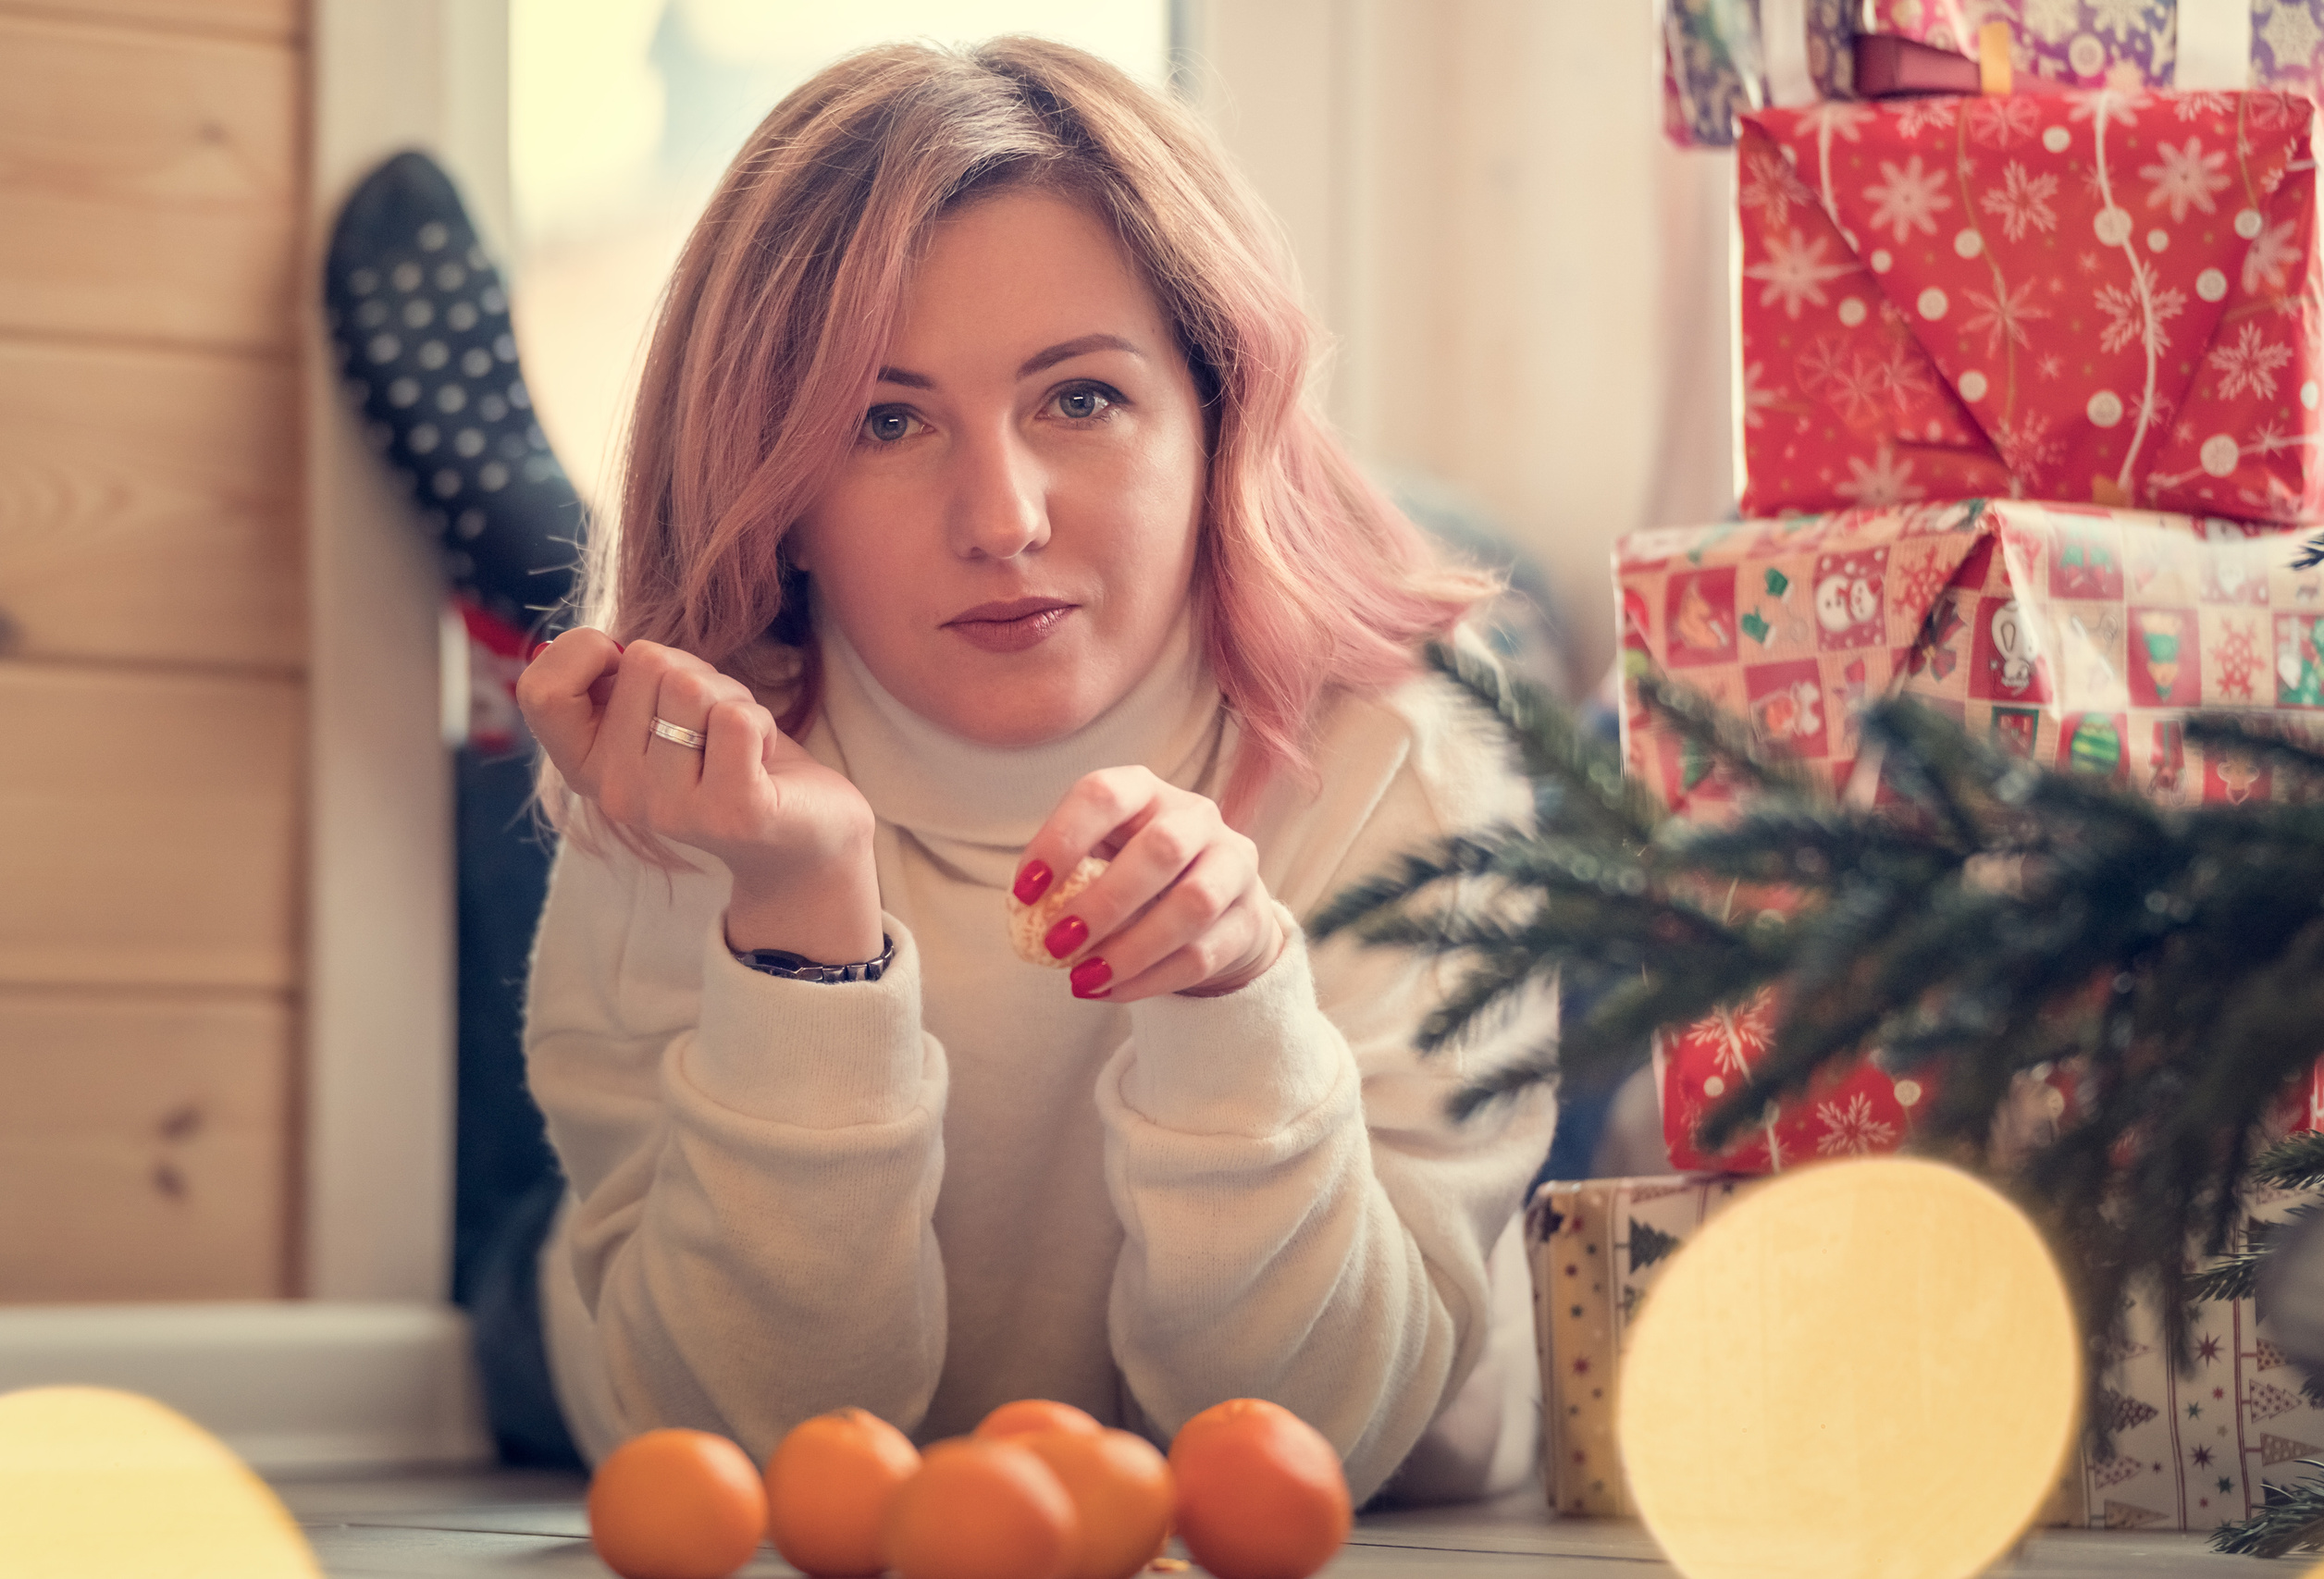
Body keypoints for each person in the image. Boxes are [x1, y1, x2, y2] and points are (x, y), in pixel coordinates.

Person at [513, 35, 1557, 1506]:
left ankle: (516, 528)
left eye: (1081, 400)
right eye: (888, 421)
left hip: (1325, 685)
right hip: (616, 1281)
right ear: (786, 496)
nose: (999, 518)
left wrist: (1237, 988)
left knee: (1475, 619)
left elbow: (1325, 1438)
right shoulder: (685, 774)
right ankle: (519, 548)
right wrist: (801, 924)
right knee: (505, 1301)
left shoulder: (1405, 762)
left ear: (1217, 419)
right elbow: (737, 1442)